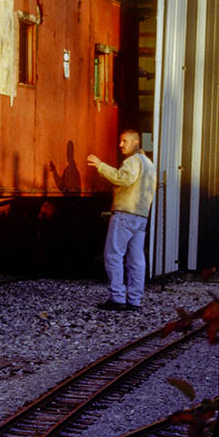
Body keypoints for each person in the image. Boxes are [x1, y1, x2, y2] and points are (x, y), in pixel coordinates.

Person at [87, 130, 156, 312]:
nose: (121, 145)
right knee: (137, 259)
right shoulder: (149, 164)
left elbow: (123, 178)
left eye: (124, 141)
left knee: (113, 255)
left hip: (125, 213)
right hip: (141, 216)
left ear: (135, 143)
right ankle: (134, 300)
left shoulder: (133, 161)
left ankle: (117, 298)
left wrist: (101, 166)